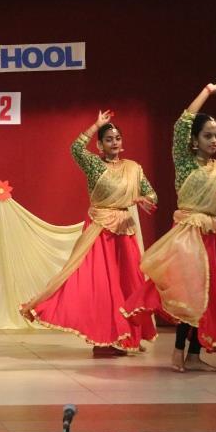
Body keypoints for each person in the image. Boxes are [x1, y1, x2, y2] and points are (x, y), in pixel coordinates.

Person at [122, 82, 216, 372]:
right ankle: (178, 352)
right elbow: (182, 124)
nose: (215, 140)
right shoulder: (186, 163)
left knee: (206, 296)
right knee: (189, 294)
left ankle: (195, 356)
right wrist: (207, 92)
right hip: (187, 238)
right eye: (208, 135)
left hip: (210, 239)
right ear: (194, 141)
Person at [21, 110, 157, 354]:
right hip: (99, 232)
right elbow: (75, 149)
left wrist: (142, 199)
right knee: (102, 286)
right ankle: (101, 340)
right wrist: (96, 125)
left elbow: (151, 194)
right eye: (109, 139)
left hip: (124, 231)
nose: (114, 143)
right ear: (100, 145)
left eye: (117, 138)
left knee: (128, 283)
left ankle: (126, 336)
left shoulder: (133, 168)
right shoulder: (94, 164)